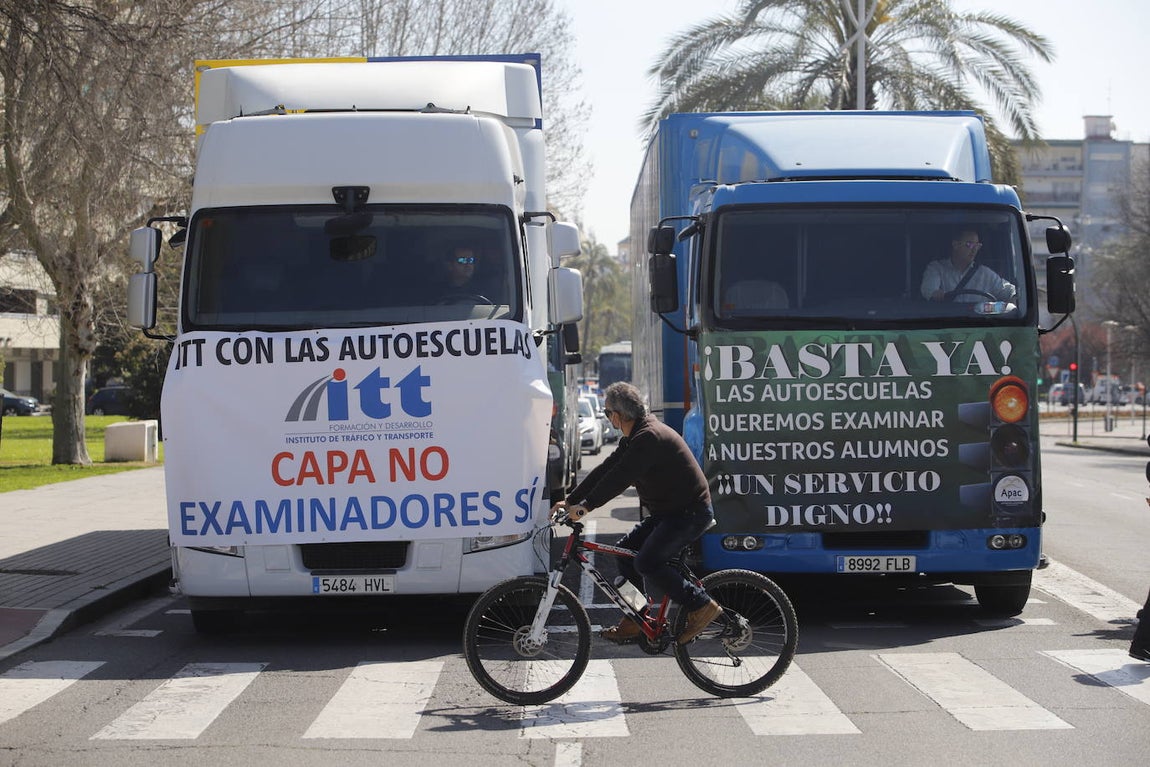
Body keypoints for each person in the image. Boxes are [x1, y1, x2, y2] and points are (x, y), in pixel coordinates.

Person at [551, 382, 723, 645]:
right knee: (626, 553)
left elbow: (618, 479)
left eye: (608, 413)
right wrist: (571, 500)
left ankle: (701, 606)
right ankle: (636, 617)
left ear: (617, 416)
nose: (608, 419)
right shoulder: (636, 436)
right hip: (669, 512)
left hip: (689, 513)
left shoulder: (648, 438)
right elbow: (607, 468)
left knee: (647, 562)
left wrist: (586, 507)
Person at [920, 227, 1016, 303]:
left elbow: (1009, 290)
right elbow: (928, 289)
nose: (974, 250)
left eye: (977, 245)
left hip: (978, 324)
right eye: (969, 244)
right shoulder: (937, 268)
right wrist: (935, 294)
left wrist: (1013, 296)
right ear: (955, 245)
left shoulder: (985, 274)